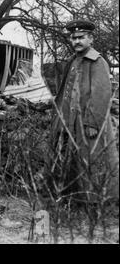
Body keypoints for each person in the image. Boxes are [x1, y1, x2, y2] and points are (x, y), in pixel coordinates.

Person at [51, 19, 119, 203]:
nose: (76, 42)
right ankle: (74, 198)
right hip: (71, 122)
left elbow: (101, 96)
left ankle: (96, 202)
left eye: (81, 37)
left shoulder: (98, 62)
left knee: (93, 161)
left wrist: (92, 123)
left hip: (90, 124)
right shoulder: (73, 61)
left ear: (91, 39)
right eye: (73, 38)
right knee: (72, 160)